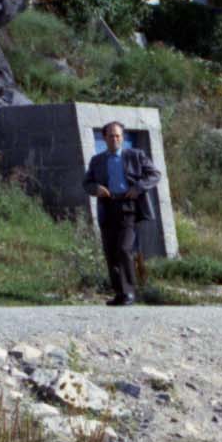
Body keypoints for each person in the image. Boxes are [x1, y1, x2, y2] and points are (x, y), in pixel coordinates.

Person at [84, 119, 154, 306]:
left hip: (129, 208)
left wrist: (138, 187)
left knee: (124, 249)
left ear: (122, 138)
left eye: (118, 136)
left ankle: (130, 292)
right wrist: (96, 188)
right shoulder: (97, 161)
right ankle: (119, 293)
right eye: (111, 136)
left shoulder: (136, 155)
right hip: (107, 207)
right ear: (104, 138)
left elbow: (154, 175)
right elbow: (86, 183)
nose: (115, 139)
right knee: (111, 252)